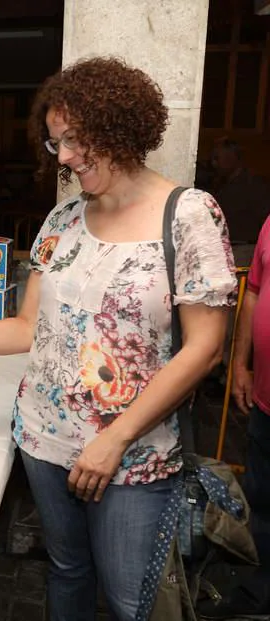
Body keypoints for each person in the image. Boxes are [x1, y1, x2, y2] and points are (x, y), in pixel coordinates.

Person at [0, 57, 236, 621]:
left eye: (74, 140)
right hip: (43, 440)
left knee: (129, 600)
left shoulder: (187, 216)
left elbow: (204, 348)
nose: (64, 157)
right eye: (55, 144)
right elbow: (27, 328)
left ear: (119, 126)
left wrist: (115, 438)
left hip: (131, 457)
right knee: (67, 571)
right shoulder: (62, 220)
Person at [199, 214, 270, 619]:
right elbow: (255, 295)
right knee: (263, 502)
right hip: (265, 401)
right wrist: (240, 364)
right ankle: (259, 595)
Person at [210, 138, 270, 267]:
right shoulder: (220, 183)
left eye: (217, 158)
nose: (213, 163)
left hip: (244, 250)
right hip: (225, 249)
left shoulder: (254, 186)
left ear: (231, 158)